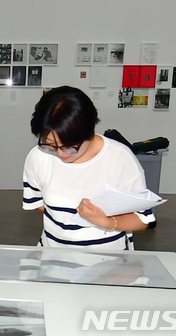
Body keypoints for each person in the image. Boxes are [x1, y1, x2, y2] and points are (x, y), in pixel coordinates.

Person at [22, 86, 155, 250]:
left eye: (69, 146)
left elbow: (143, 218)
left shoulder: (119, 158)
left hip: (107, 264)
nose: (60, 154)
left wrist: (105, 222)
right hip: (53, 257)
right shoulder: (39, 157)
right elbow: (37, 202)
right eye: (50, 145)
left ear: (89, 132)